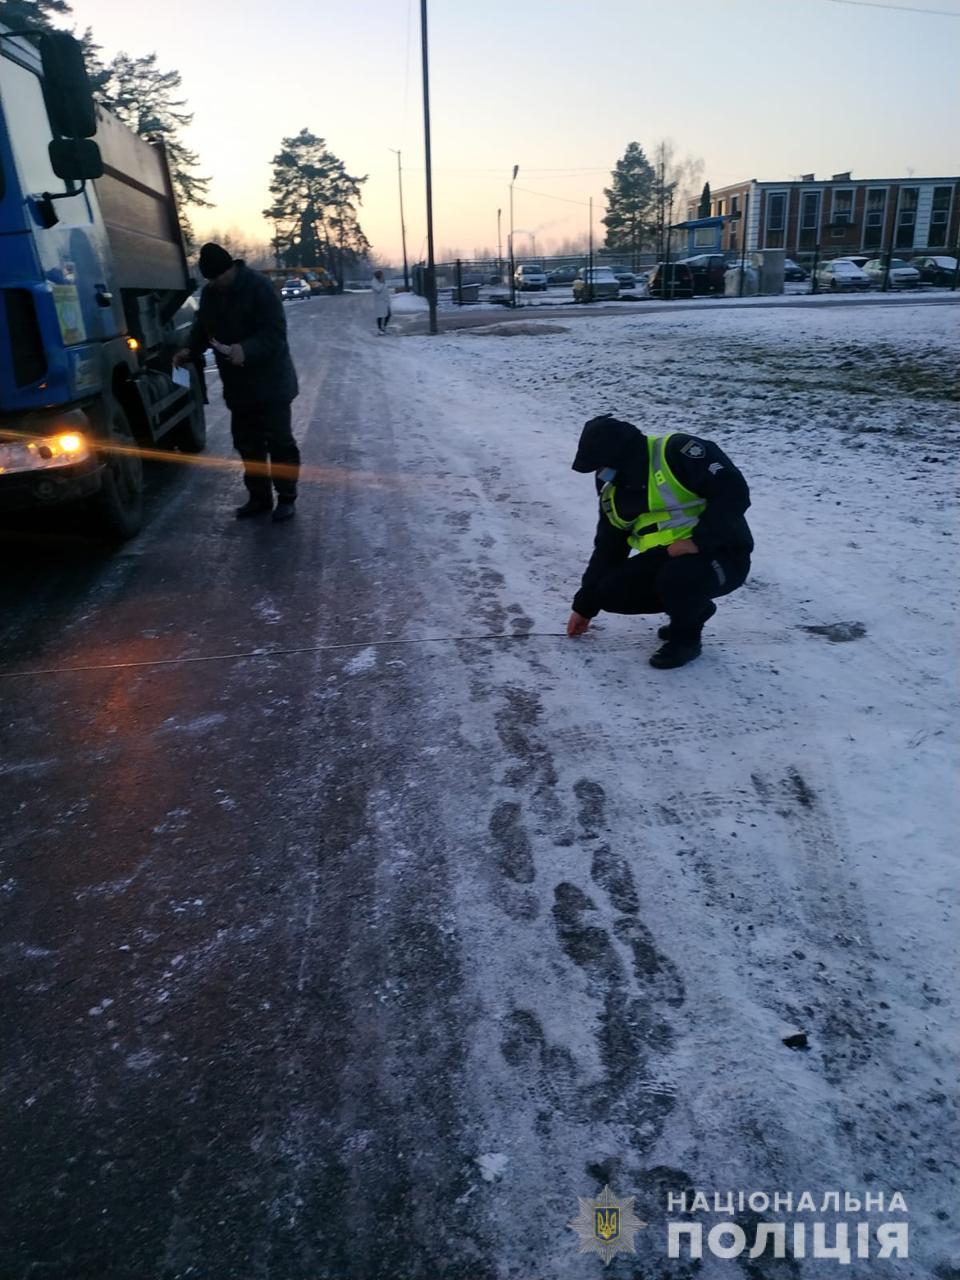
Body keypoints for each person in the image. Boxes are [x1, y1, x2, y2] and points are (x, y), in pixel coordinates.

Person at [567, 414, 753, 668]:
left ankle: (685, 641)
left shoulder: (677, 452)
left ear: (622, 456)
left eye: (602, 465)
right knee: (607, 593)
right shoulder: (612, 491)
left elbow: (734, 491)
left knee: (679, 576)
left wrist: (698, 541)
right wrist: (584, 607)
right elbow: (608, 550)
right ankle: (692, 611)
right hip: (669, 558)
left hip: (723, 555)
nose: (600, 473)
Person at [174, 243, 301, 522]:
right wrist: (188, 349)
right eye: (212, 279)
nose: (217, 283)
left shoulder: (259, 287)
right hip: (239, 387)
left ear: (231, 267)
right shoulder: (210, 294)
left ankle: (287, 497)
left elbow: (275, 332)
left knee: (279, 443)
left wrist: (247, 349)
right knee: (248, 444)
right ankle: (259, 497)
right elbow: (202, 328)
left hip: (271, 383)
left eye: (220, 276)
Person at [371, 269, 392, 333]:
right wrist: (382, 283)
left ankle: (384, 327)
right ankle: (380, 329)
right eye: (382, 275)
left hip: (385, 301)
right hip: (379, 301)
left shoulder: (382, 281)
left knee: (388, 314)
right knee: (380, 315)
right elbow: (378, 290)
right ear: (379, 275)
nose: (383, 276)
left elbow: (386, 290)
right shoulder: (374, 282)